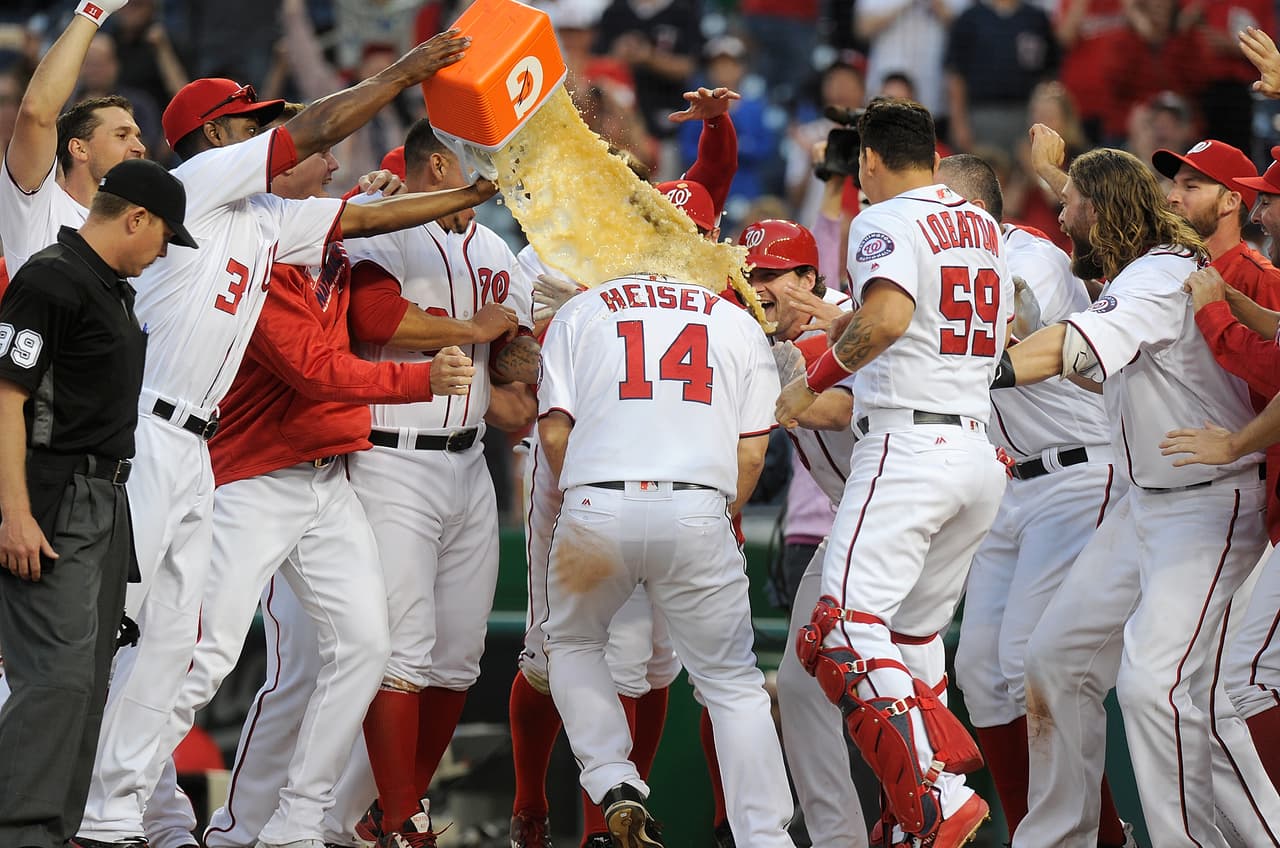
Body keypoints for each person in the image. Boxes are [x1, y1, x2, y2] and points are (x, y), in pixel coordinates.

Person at [74, 31, 476, 848]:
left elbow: (366, 216)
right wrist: (404, 72)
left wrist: (476, 193)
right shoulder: (200, 182)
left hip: (218, 452)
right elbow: (316, 134)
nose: (265, 130)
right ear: (217, 137)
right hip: (169, 439)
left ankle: (286, 825)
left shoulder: (263, 218)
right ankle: (105, 813)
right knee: (179, 651)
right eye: (249, 120)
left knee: (355, 644)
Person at [997, 147, 1280, 848]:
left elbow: (1071, 350)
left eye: (1072, 204)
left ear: (1106, 211)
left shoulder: (1159, 273)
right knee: (1053, 659)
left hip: (1209, 502)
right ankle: (1065, 837)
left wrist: (976, 366)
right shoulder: (1138, 273)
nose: (1061, 214)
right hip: (1144, 501)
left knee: (1160, 692)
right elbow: (1099, 366)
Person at [774, 97, 1012, 848]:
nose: (858, 183)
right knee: (910, 643)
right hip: (976, 450)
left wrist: (810, 381)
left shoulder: (882, 218)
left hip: (909, 447)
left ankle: (936, 795)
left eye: (859, 171)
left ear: (871, 161)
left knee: (839, 628)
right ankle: (913, 824)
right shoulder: (977, 221)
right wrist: (840, 320)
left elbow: (887, 321)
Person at [538, 265, 788, 848]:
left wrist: (587, 499)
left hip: (597, 502)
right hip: (698, 504)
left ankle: (613, 778)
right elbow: (751, 454)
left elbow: (553, 434)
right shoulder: (733, 318)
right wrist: (710, 521)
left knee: (573, 644)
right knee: (731, 684)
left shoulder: (584, 309)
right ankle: (766, 837)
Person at [340, 121, 540, 847]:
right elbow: (373, 315)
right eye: (478, 169)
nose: (490, 185)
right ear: (437, 163)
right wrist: (477, 327)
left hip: (469, 460)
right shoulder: (383, 223)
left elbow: (511, 356)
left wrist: (535, 339)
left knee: (458, 655)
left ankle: (394, 805)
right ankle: (400, 821)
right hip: (392, 455)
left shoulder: (492, 247)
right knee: (404, 650)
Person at [934, 153, 1132, 846]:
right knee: (980, 671)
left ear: (971, 210)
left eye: (940, 207)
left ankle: (1097, 837)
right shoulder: (940, 270)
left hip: (1080, 473)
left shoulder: (1032, 252)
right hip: (1012, 484)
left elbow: (1019, 327)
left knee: (1027, 661)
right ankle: (1035, 832)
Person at [0, 158, 194, 848]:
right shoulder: (52, 276)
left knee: (85, 685)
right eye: (165, 235)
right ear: (135, 218)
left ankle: (53, 832)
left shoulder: (110, 287)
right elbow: (6, 397)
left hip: (107, 495)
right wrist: (14, 512)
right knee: (53, 681)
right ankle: (20, 834)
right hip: (55, 496)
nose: (164, 250)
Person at [0, 0, 144, 276]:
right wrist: (94, 9)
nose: (139, 147)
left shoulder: (141, 228)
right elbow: (37, 112)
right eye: (122, 135)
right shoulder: (38, 208)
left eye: (137, 135)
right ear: (78, 148)